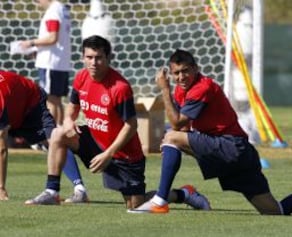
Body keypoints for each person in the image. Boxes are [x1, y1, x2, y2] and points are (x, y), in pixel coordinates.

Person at [130, 49, 292, 217]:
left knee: (171, 136)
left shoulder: (202, 87)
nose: (181, 77)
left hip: (230, 146)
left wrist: (164, 90)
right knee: (274, 210)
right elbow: (184, 128)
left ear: (196, 69)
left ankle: (161, 200)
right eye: (176, 73)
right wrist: (176, 141)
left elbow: (178, 123)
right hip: (236, 151)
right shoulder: (182, 90)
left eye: (185, 71)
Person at [25, 36, 211, 211]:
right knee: (58, 134)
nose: (93, 62)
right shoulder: (81, 77)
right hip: (96, 143)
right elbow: (72, 108)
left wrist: (108, 154)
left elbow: (131, 126)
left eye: (98, 58)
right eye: (89, 57)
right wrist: (67, 123)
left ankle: (183, 194)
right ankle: (52, 192)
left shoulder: (120, 88)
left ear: (108, 58)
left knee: (135, 206)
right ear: (83, 57)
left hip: (124, 155)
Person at [0, 70, 88, 202]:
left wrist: (1, 188)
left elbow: (1, 147)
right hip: (14, 107)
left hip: (32, 103)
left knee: (53, 141)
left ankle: (80, 189)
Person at [20, 0, 71, 126]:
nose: (37, 3)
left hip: (50, 63)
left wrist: (30, 43)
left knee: (50, 100)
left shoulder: (53, 12)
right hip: (61, 62)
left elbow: (52, 38)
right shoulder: (63, 9)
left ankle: (51, 136)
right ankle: (58, 135)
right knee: (57, 100)